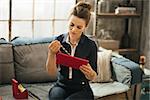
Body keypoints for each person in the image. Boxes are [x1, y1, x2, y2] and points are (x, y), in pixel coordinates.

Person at [46, 1, 97, 100]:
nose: (74, 30)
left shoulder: (90, 45)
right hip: (61, 85)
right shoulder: (59, 41)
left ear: (85, 27)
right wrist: (51, 53)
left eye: (79, 27)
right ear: (68, 21)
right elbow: (51, 72)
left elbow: (93, 76)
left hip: (82, 88)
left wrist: (90, 74)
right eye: (71, 25)